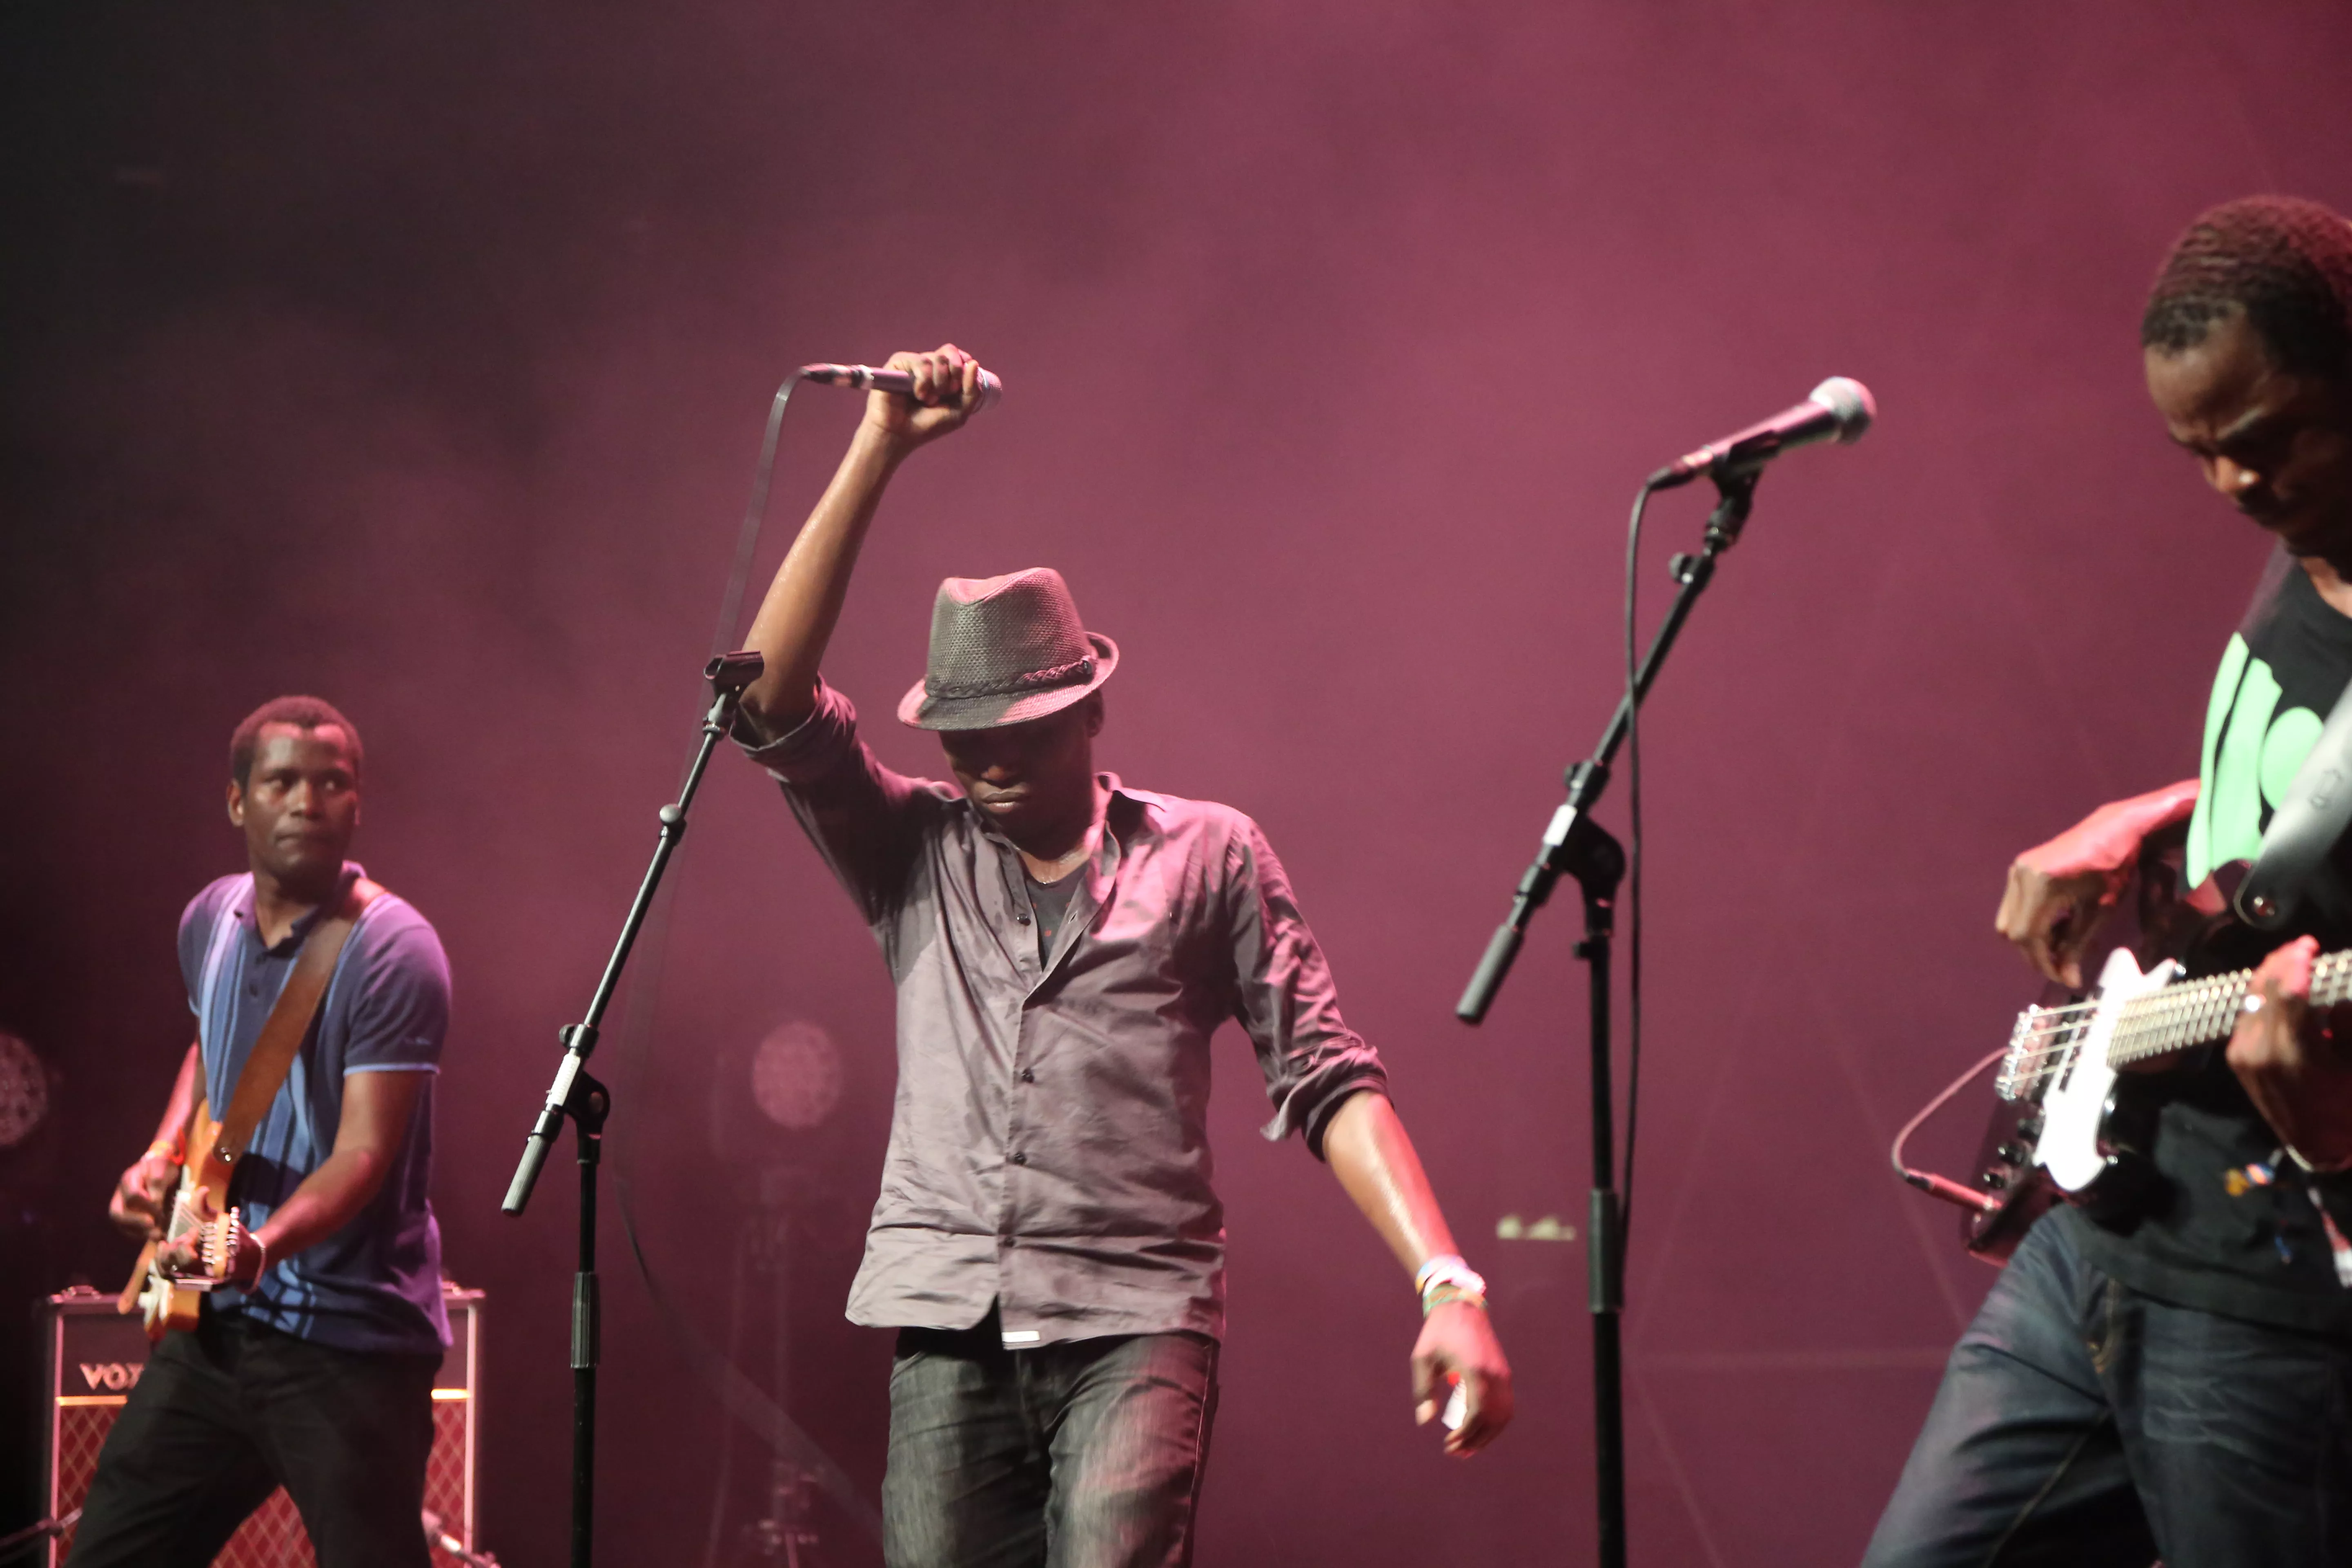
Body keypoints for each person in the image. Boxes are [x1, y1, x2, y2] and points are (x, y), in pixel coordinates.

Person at [730, 345, 1513, 1568]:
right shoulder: (913, 851)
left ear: (1091, 711)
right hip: (948, 1322)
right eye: (964, 739)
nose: (986, 766)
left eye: (1019, 738)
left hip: (1134, 1322)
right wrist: (877, 445)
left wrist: (1448, 1285)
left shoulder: (1208, 854)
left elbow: (1328, 1078)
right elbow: (768, 701)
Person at [1862, 197, 2352, 1567]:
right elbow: (2313, 783)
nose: (2233, 488)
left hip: (2271, 1309)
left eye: (2264, 443)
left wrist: (2339, 1138)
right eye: (2197, 453)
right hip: (2110, 1226)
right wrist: (2154, 816)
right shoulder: (2319, 538)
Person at [72, 696, 453, 1568]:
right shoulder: (210, 918)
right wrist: (163, 1154)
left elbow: (363, 1151)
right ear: (239, 802)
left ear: (357, 806)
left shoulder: (395, 951)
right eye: (282, 782)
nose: (307, 802)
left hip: (348, 1348)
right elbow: (213, 1052)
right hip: (215, 1335)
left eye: (331, 784)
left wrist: (262, 1245)